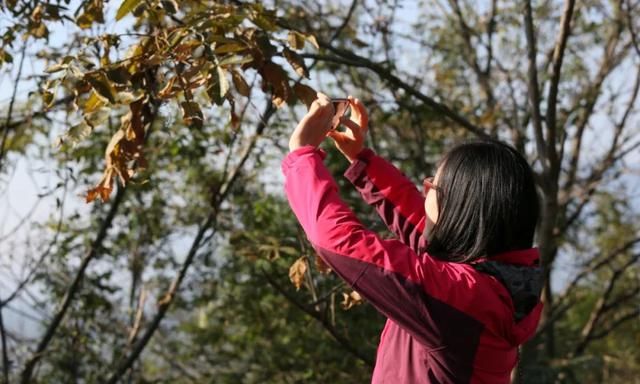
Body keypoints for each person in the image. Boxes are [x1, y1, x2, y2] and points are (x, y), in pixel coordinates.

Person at [282, 93, 543, 383]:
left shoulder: (463, 298)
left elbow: (337, 240)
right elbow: (422, 221)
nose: (425, 189)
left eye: (433, 184)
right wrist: (361, 160)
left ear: (460, 209)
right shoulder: (491, 287)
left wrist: (301, 155)